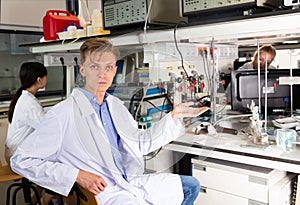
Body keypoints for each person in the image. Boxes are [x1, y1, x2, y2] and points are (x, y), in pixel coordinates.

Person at [10, 38, 208, 205]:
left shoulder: (114, 106)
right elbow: (21, 160)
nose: (102, 74)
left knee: (190, 186)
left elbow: (139, 144)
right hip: (105, 192)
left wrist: (172, 117)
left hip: (127, 180)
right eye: (94, 66)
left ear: (114, 70)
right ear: (83, 70)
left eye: (108, 67)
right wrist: (76, 175)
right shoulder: (64, 112)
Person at [4, 62, 62, 205]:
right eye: (45, 76)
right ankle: (43, 201)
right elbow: (48, 128)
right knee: (59, 171)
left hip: (15, 153)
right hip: (17, 157)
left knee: (53, 165)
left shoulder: (25, 98)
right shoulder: (29, 103)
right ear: (39, 79)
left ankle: (34, 200)